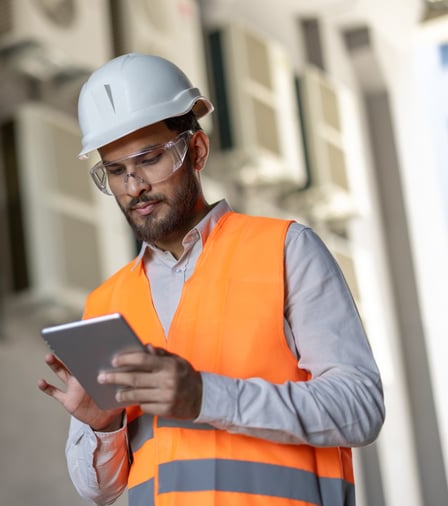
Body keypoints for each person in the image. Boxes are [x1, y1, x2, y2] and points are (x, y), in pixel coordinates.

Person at [37, 53, 385, 506]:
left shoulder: (284, 249)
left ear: (196, 151)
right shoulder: (106, 303)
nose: (134, 186)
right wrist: (102, 425)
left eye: (150, 159)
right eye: (116, 171)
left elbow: (360, 409)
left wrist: (206, 396)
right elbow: (99, 491)